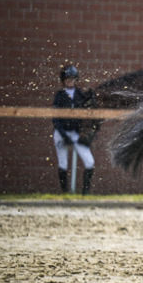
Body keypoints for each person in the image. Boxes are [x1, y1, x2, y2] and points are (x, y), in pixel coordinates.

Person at [52, 64, 97, 194]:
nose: (70, 81)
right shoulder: (60, 95)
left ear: (76, 80)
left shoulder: (80, 94)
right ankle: (65, 192)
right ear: (63, 80)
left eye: (72, 79)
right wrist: (63, 135)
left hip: (76, 132)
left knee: (89, 162)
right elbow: (55, 118)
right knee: (63, 163)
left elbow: (89, 109)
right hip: (62, 132)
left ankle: (85, 192)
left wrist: (92, 97)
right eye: (67, 79)